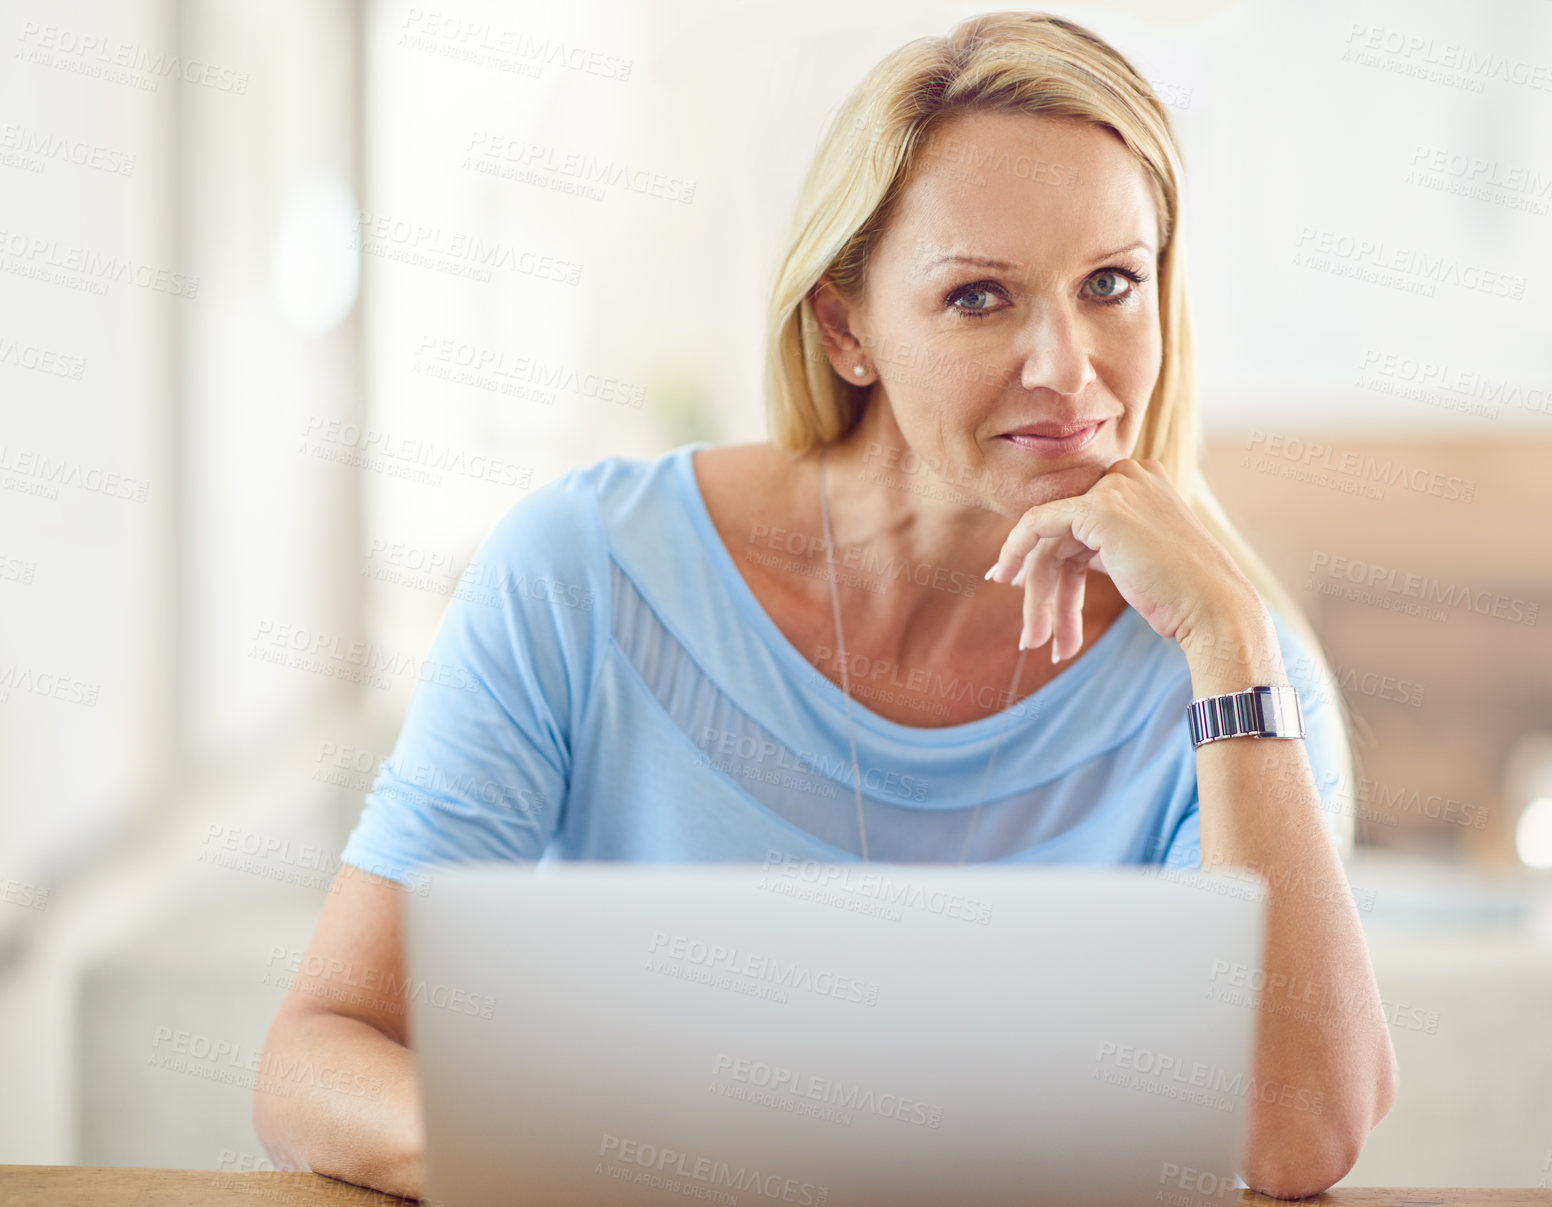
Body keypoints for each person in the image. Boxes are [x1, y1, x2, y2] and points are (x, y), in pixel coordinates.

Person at [254, 10, 1397, 1198]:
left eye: (1112, 282)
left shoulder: (1235, 678)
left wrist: (1234, 641)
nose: (1069, 367)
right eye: (978, 298)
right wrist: (594, 1162)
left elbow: (1298, 1137)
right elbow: (314, 1061)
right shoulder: (583, 573)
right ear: (846, 326)